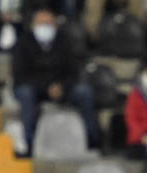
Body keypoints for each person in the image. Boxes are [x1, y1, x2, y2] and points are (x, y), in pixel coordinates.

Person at [11, 7, 99, 155]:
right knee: (26, 94)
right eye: (41, 24)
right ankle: (29, 144)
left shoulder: (64, 42)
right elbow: (20, 75)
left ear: (55, 25)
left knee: (84, 92)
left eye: (48, 24)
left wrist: (61, 86)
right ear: (33, 25)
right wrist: (46, 87)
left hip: (61, 87)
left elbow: (73, 72)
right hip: (33, 87)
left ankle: (91, 140)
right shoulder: (23, 42)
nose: (45, 28)